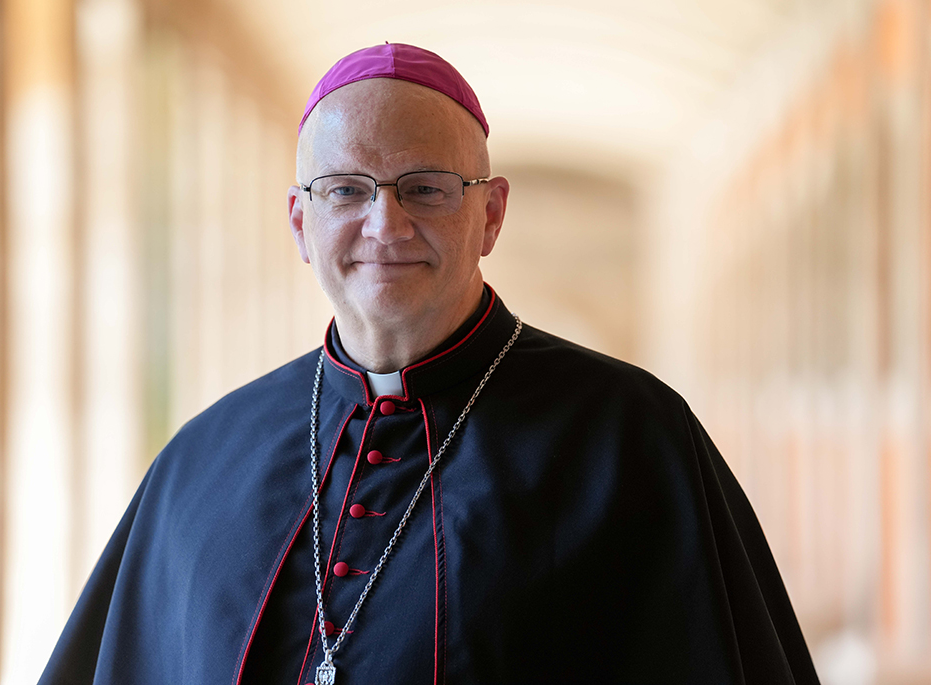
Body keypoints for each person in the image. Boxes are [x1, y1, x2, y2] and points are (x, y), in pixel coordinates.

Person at [40, 43, 820, 685]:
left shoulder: (633, 439)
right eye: (346, 189)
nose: (386, 223)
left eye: (425, 188)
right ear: (300, 222)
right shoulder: (203, 457)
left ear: (490, 214)